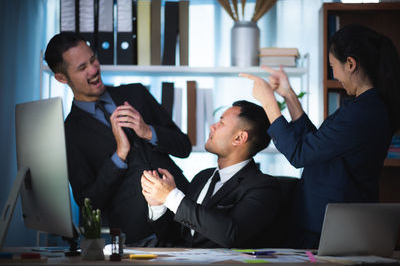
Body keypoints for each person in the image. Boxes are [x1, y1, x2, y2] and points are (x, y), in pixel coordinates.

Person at [240, 24, 400, 248]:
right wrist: (288, 94)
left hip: (334, 226)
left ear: (351, 64)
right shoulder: (366, 108)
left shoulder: (362, 113)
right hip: (331, 220)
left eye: (333, 66)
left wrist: (269, 103)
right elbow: (315, 146)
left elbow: (299, 154)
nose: (334, 75)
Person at [44, 32, 191, 245]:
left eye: (93, 60)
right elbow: (89, 204)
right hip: (141, 236)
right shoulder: (70, 132)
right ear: (61, 78)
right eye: (82, 68)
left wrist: (147, 131)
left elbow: (184, 147)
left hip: (187, 218)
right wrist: (120, 154)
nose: (94, 70)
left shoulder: (136, 93)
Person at [140, 100, 283, 248]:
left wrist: (171, 197)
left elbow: (231, 234)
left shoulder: (264, 187)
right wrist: (157, 205)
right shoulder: (202, 177)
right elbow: (175, 237)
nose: (212, 126)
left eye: (221, 123)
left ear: (239, 138)